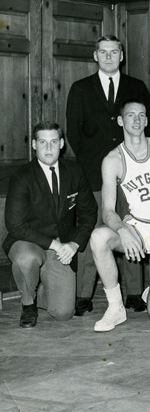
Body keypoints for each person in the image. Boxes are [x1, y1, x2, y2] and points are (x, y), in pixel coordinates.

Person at [66, 35, 150, 316]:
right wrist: (94, 163)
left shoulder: (136, 87)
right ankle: (84, 295)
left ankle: (135, 292)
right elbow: (74, 135)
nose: (109, 57)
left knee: (131, 226)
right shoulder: (80, 89)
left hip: (130, 172)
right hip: (92, 174)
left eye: (114, 52)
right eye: (103, 52)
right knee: (94, 230)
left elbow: (143, 129)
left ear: (122, 55)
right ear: (95, 56)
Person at [90, 99, 150, 331]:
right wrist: (123, 230)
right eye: (131, 115)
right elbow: (108, 211)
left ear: (146, 120)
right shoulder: (112, 160)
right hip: (139, 228)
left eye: (142, 115)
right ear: (121, 120)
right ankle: (116, 307)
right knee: (98, 238)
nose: (136, 120)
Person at [4, 122, 97, 328]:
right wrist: (54, 245)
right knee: (26, 259)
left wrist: (74, 244)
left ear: (62, 144)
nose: (48, 148)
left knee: (64, 313)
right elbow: (15, 225)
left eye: (53, 142)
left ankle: (40, 286)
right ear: (34, 145)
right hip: (28, 242)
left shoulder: (75, 170)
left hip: (62, 247)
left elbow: (89, 212)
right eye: (43, 142)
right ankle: (28, 303)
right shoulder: (22, 177)